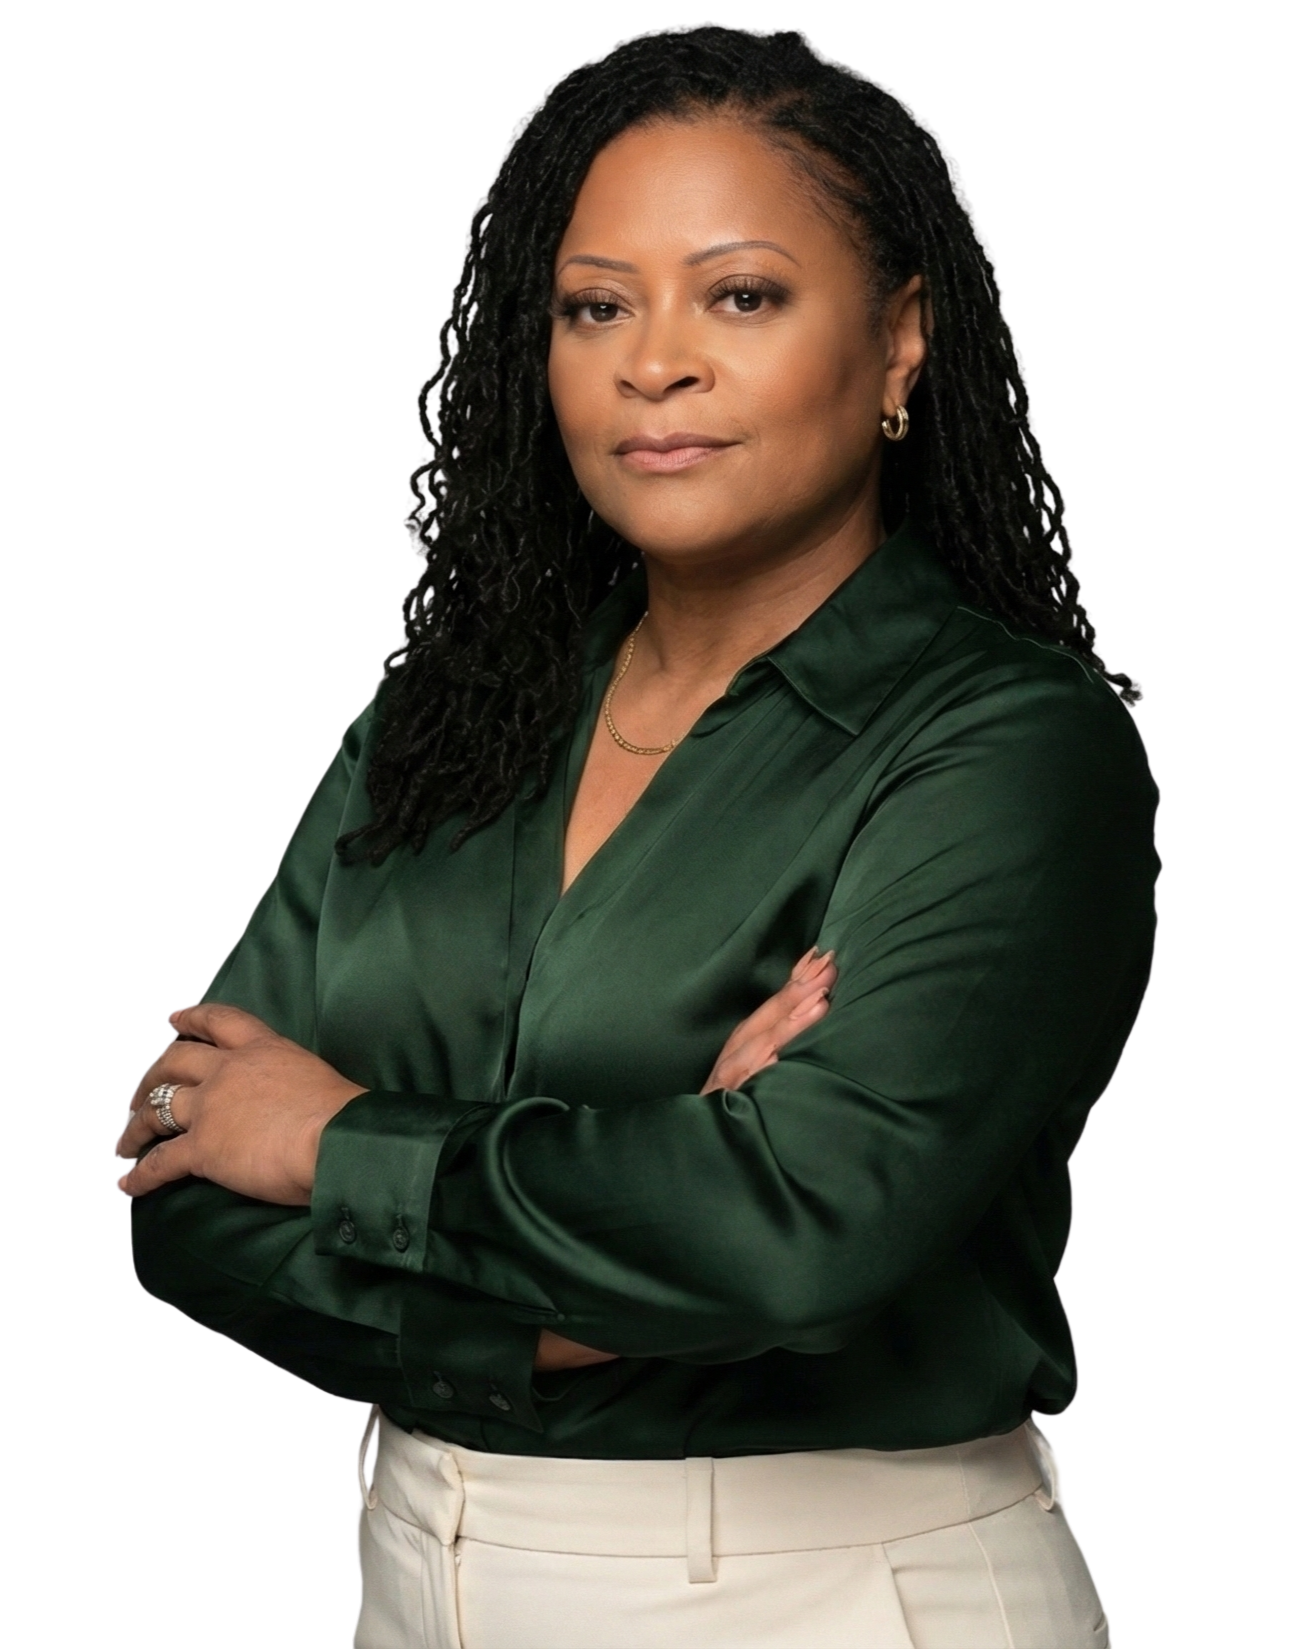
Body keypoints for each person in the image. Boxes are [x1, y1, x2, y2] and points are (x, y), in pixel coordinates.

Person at [119, 23, 1157, 1648]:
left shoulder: (1008, 749)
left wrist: (332, 1144)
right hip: (410, 1555)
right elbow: (181, 1183)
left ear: (898, 344)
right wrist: (631, 1226)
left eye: (739, 296)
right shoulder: (433, 725)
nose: (648, 363)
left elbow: (799, 1237)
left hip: (820, 1592)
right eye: (595, 306)